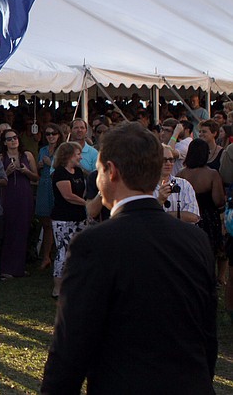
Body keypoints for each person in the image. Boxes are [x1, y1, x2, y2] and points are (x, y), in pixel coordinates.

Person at [41, 122, 217, 394]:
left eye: (99, 171)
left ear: (111, 172)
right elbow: (208, 337)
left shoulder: (94, 244)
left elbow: (71, 348)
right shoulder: (195, 240)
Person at [179, 138, 225, 283]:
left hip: (186, 217)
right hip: (208, 218)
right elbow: (218, 201)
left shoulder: (181, 174)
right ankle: (215, 279)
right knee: (211, 252)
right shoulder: (212, 174)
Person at [0, 129, 38, 278]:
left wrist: (26, 171)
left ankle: (19, 267)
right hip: (8, 196)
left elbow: (36, 177)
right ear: (4, 142)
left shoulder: (27, 156)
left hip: (24, 194)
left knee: (23, 229)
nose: (13, 141)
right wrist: (7, 172)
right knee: (9, 229)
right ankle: (6, 268)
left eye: (15, 137)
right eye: (9, 139)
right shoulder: (0, 158)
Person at [49, 142, 85, 298]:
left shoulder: (77, 171)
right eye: (78, 154)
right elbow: (68, 196)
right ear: (69, 155)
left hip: (79, 218)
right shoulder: (59, 173)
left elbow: (80, 191)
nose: (80, 157)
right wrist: (88, 204)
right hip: (63, 219)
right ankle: (57, 288)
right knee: (63, 252)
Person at [35, 124, 62, 270]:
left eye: (54, 133)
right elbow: (38, 172)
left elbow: (65, 168)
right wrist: (39, 165)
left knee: (57, 222)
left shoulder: (62, 150)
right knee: (46, 223)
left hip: (57, 185)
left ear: (59, 135)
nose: (51, 136)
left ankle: (57, 254)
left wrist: (49, 163)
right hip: (44, 185)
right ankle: (46, 256)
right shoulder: (43, 150)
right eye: (48, 134)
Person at [154, 144, 200, 223]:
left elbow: (193, 216)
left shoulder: (184, 184)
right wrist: (160, 201)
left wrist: (164, 215)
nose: (168, 163)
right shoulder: (145, 187)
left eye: (171, 160)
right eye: (164, 160)